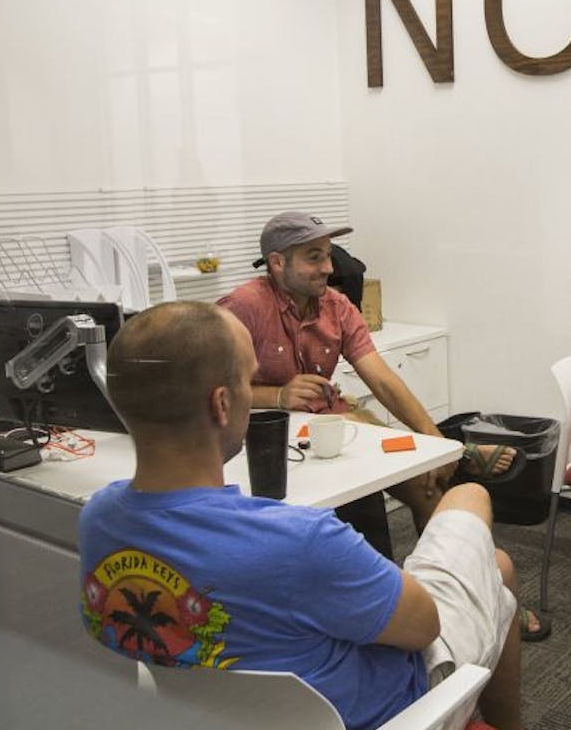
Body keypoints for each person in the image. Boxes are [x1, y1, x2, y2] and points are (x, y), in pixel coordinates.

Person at [77, 301, 530, 730]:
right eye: (247, 380)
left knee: (496, 568)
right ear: (222, 404)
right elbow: (424, 628)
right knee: (470, 498)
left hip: (213, 721)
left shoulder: (97, 520)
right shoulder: (300, 541)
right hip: (395, 717)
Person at [218, 212, 547, 641]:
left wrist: (435, 443)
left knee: (428, 485)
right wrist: (277, 395)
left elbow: (383, 379)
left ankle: (484, 597)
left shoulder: (336, 306)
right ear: (277, 263)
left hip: (333, 431)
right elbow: (216, 389)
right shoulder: (242, 307)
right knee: (361, 444)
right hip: (268, 445)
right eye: (314, 258)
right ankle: (472, 582)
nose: (329, 268)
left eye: (329, 256)